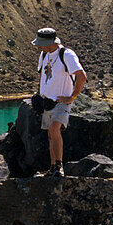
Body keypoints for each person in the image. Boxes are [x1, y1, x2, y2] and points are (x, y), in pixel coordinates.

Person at [32, 27, 87, 176]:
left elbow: (81, 76)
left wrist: (72, 97)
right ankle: (53, 168)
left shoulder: (67, 55)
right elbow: (45, 77)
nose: (38, 47)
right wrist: (39, 95)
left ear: (49, 43)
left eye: (40, 44)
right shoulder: (44, 55)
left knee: (54, 129)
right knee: (51, 134)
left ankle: (59, 166)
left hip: (61, 101)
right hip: (47, 102)